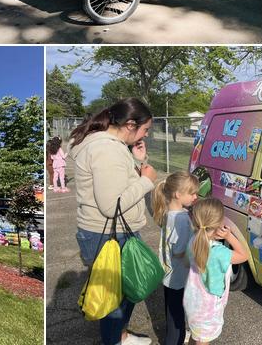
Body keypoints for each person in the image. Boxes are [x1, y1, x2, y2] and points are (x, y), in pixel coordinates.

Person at [70, 98, 159, 345]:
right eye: (145, 129)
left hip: (115, 232)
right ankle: (114, 339)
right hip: (108, 234)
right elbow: (112, 206)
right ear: (130, 124)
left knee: (125, 292)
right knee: (114, 301)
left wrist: (139, 162)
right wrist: (147, 180)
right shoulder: (106, 149)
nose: (146, 135)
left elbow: (120, 184)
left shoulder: (113, 146)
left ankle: (121, 335)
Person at [183, 198, 248, 344]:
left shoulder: (193, 240)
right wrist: (229, 236)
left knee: (198, 335)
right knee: (203, 340)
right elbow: (244, 255)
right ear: (219, 224)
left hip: (193, 299)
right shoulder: (219, 252)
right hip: (208, 307)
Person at [152, 171, 200, 345]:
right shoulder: (182, 219)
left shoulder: (168, 212)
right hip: (179, 276)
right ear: (178, 195)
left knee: (171, 312)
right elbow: (180, 251)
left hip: (168, 273)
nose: (196, 196)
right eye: (192, 193)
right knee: (177, 320)